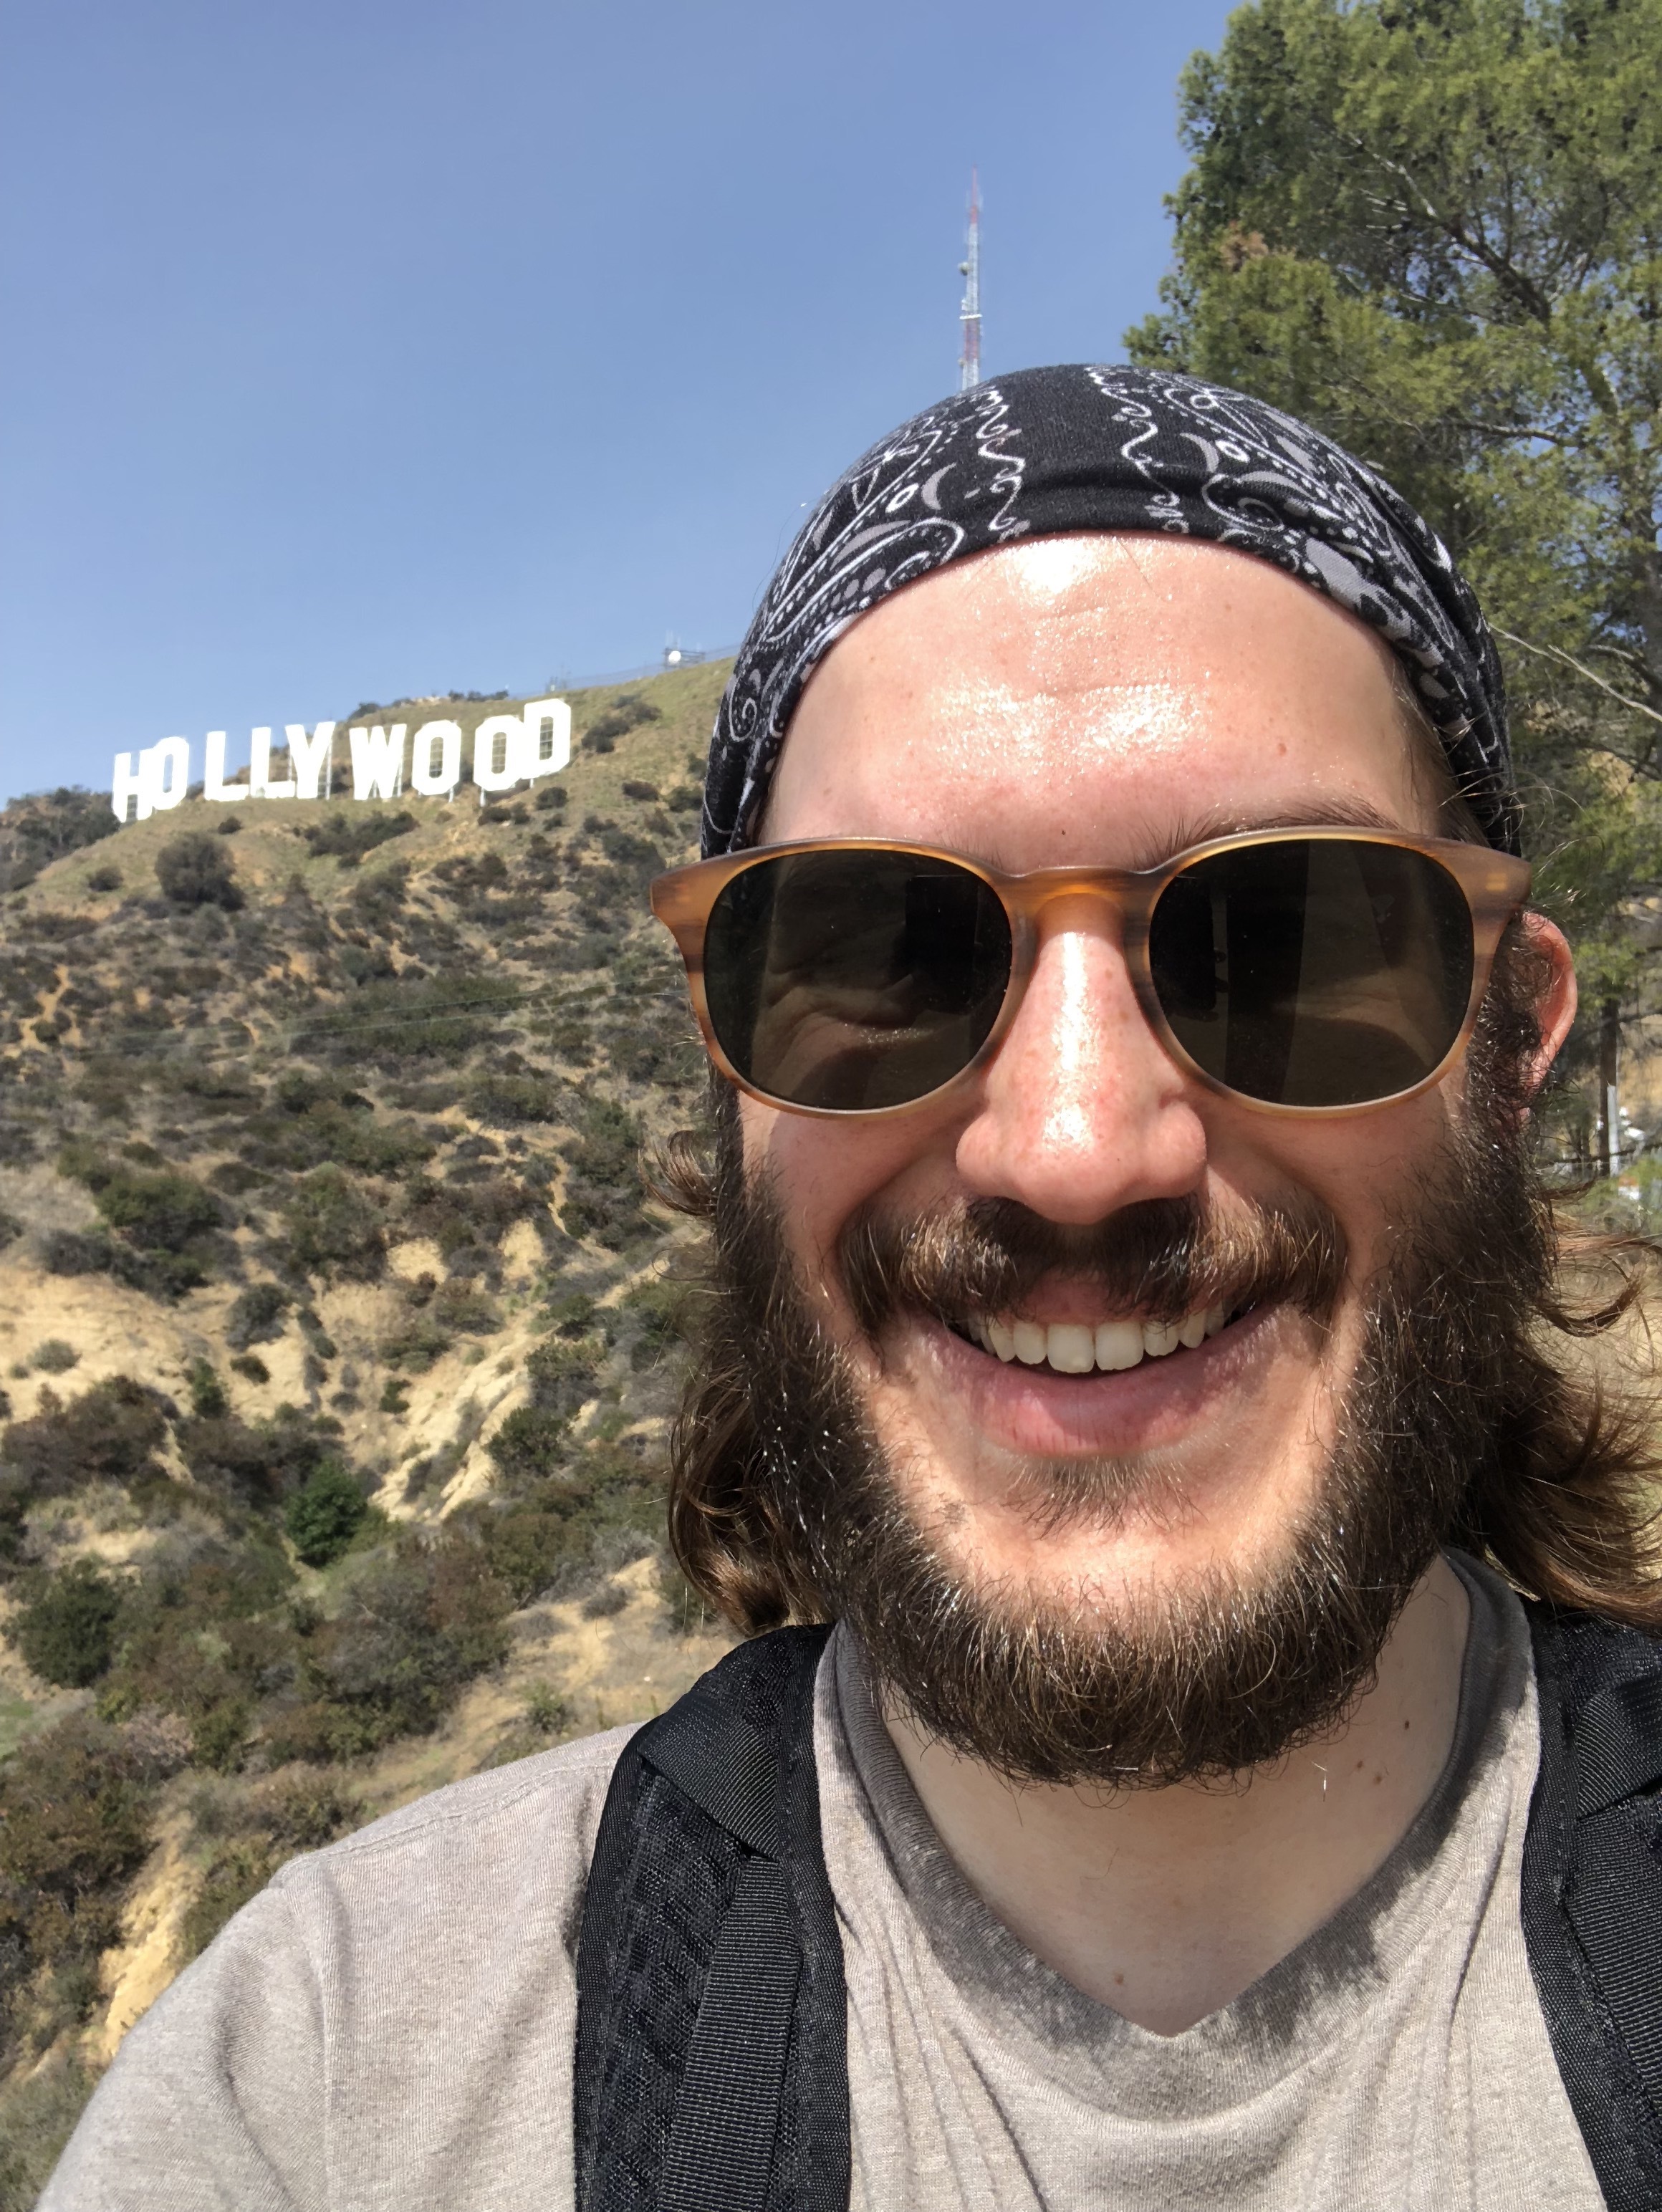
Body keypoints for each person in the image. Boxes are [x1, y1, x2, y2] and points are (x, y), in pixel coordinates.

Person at [44, 365, 1662, 2212]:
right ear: (731, 1081)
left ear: (1515, 1040)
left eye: (1280, 931)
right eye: (885, 952)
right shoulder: (329, 2088)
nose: (1071, 1142)